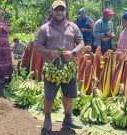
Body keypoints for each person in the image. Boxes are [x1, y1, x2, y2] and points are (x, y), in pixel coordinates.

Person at [35, 0, 84, 132]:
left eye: (62, 9)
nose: (59, 12)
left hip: (68, 68)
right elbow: (37, 46)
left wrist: (73, 52)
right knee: (50, 95)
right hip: (52, 68)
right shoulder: (45, 28)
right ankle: (47, 118)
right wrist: (50, 52)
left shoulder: (73, 27)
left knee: (68, 94)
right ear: (52, 11)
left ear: (65, 11)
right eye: (57, 10)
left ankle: (68, 118)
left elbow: (81, 43)